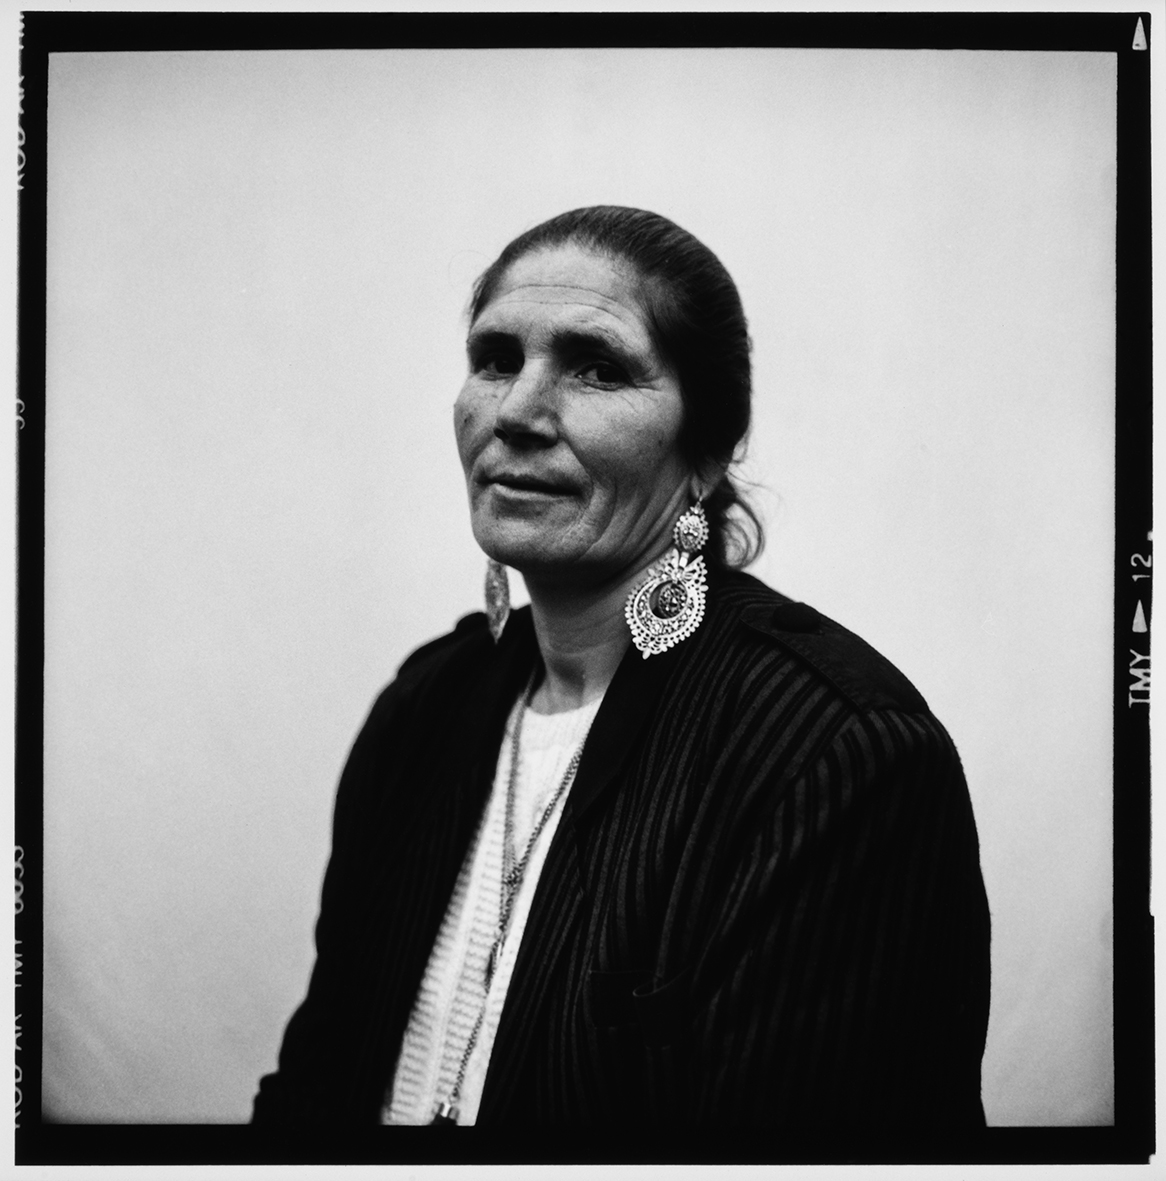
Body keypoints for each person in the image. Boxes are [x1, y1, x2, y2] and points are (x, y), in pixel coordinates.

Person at [252, 206, 991, 1136]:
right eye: (496, 358)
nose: (517, 413)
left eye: (597, 367)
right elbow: (312, 1089)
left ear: (707, 448)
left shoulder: (834, 754)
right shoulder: (423, 710)